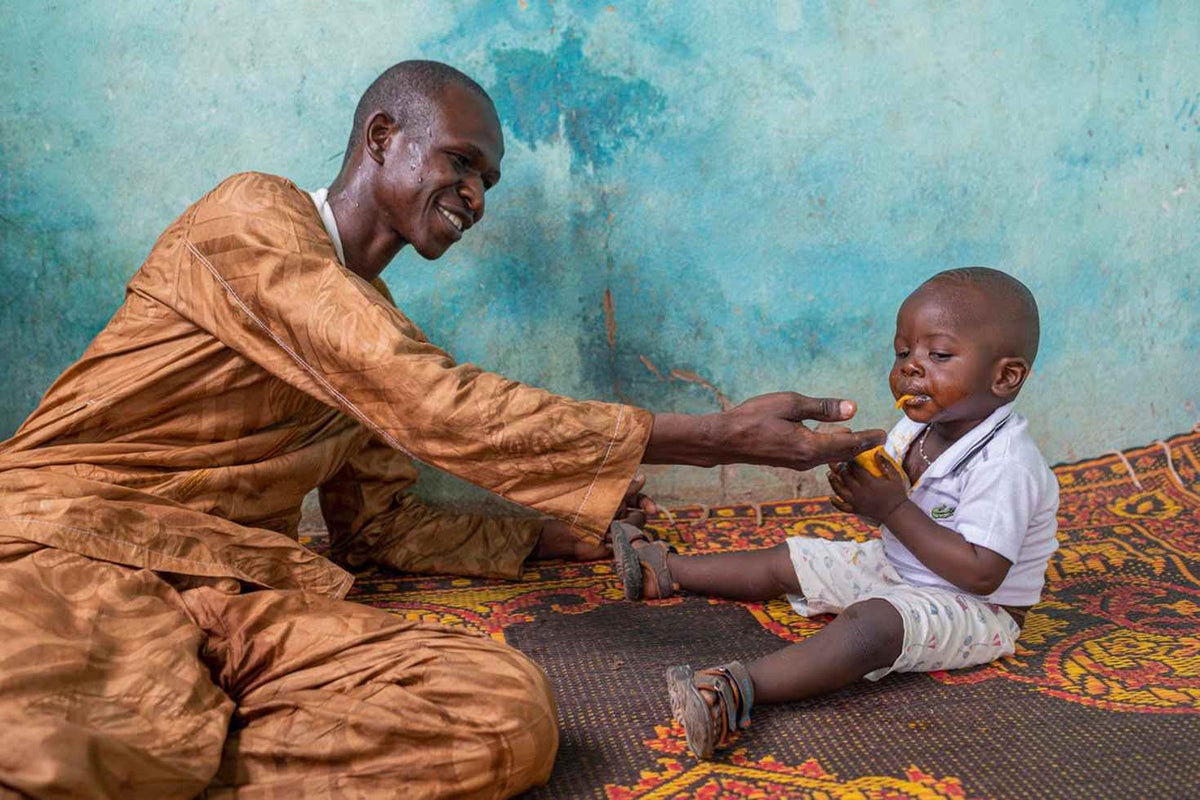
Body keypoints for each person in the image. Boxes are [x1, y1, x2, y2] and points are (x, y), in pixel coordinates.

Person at [0, 61, 884, 799]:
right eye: (462, 164)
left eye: (487, 184)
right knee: (70, 738)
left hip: (236, 592)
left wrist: (545, 538)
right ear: (382, 138)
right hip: (72, 548)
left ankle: (143, 745)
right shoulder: (250, 220)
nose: (475, 198)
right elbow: (430, 401)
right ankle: (124, 742)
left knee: (502, 720)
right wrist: (715, 436)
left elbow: (383, 528)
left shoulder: (370, 330)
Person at [613, 267, 1060, 760]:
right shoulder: (920, 429)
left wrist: (889, 507)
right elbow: (897, 515)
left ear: (1005, 376)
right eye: (902, 352)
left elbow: (981, 573)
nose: (911, 367)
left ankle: (737, 689)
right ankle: (665, 570)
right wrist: (864, 495)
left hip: (976, 608)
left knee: (871, 627)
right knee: (794, 558)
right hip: (903, 566)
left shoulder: (1008, 465)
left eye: (938, 354)